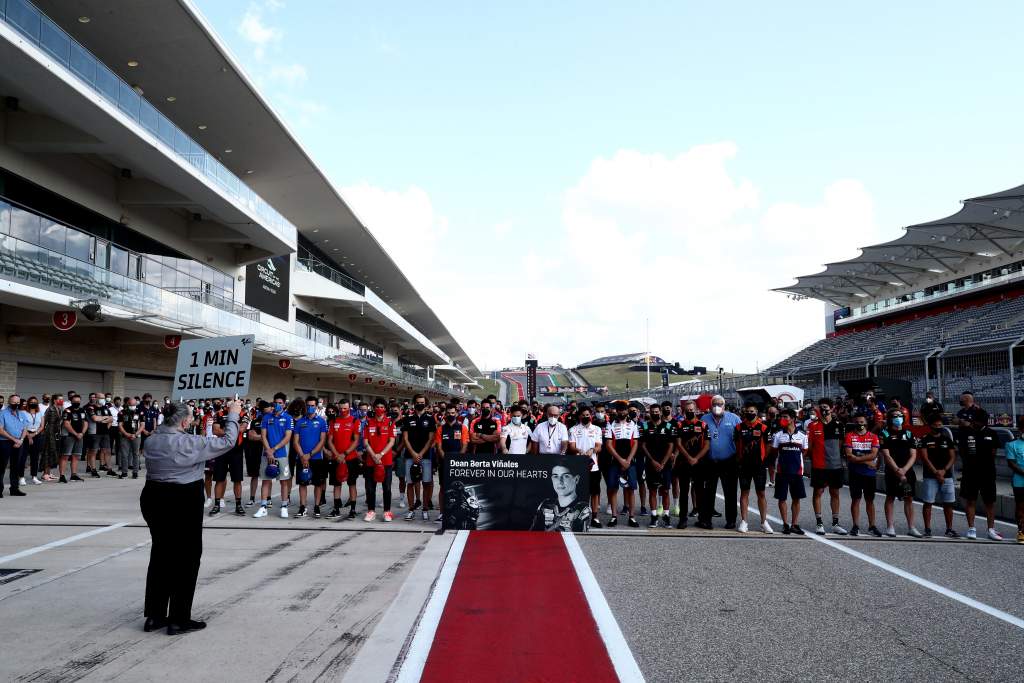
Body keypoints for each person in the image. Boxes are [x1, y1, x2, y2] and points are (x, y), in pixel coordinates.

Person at [141, 398, 240, 635]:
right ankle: (178, 618)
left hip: (154, 496)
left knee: (161, 554)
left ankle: (155, 615)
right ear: (185, 421)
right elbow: (228, 441)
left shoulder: (151, 440)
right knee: (187, 558)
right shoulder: (190, 442)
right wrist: (233, 414)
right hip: (182, 497)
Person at [957, 409, 1003, 540]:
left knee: (989, 501)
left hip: (987, 472)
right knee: (970, 500)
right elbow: (962, 451)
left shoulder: (991, 433)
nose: (975, 422)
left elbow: (993, 453)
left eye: (978, 420)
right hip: (970, 472)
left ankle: (991, 529)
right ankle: (971, 528)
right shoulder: (966, 432)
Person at [699, 395, 742, 530]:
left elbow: (740, 440)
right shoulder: (704, 419)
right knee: (708, 492)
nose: (717, 406)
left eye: (720, 404)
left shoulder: (734, 419)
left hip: (729, 461)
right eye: (714, 404)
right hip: (710, 461)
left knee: (730, 492)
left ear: (724, 405)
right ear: (711, 406)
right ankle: (706, 520)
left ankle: (731, 520)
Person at [879, 409, 922, 538]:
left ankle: (911, 527)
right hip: (892, 471)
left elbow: (913, 454)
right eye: (895, 416)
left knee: (908, 497)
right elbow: (886, 455)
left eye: (900, 415)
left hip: (907, 472)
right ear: (890, 418)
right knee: (890, 497)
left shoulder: (908, 434)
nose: (898, 418)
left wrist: (904, 470)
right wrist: (897, 470)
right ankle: (890, 526)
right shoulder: (885, 433)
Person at [807, 398, 847, 535]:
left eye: (826, 407)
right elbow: (810, 447)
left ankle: (835, 523)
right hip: (819, 465)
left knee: (835, 493)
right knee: (818, 492)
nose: (823, 410)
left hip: (835, 465)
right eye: (821, 407)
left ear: (832, 408)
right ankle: (819, 523)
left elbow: (840, 445)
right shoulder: (813, 426)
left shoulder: (839, 425)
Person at [918, 414, 958, 538]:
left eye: (940, 425)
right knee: (928, 502)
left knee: (949, 503)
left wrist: (944, 470)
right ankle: (927, 529)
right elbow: (925, 458)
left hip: (947, 475)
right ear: (930, 426)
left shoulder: (947, 439)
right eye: (936, 425)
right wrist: (936, 472)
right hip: (930, 476)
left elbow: (952, 457)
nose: (938, 427)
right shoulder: (924, 439)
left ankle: (949, 528)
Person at [254, 393, 294, 519]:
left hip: (281, 454)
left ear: (284, 404)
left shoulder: (288, 418)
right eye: (276, 403)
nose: (278, 405)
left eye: (280, 403)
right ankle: (263, 507)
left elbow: (288, 437)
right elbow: (263, 436)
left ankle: (284, 506)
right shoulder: (266, 417)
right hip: (267, 454)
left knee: (283, 482)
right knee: (266, 480)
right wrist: (268, 451)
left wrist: (274, 449)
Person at [734, 402, 772, 534]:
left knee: (761, 493)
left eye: (752, 411)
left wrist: (762, 459)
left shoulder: (763, 427)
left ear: (756, 412)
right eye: (748, 411)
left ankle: (764, 522)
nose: (750, 413)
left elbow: (768, 445)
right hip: (744, 465)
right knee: (744, 492)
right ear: (744, 412)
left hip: (759, 466)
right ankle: (744, 521)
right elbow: (736, 444)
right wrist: (739, 458)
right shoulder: (739, 427)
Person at [603, 400, 640, 527]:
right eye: (619, 410)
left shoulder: (634, 424)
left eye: (624, 410)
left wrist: (628, 460)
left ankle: (632, 516)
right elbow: (608, 445)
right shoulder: (610, 424)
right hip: (615, 461)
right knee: (613, 488)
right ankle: (614, 516)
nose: (622, 412)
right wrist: (620, 460)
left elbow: (635, 443)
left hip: (630, 461)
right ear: (616, 412)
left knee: (631, 489)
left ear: (627, 411)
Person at [844, 414, 882, 537]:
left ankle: (872, 526)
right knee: (856, 500)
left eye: (862, 422)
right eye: (858, 422)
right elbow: (849, 456)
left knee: (870, 500)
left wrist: (858, 458)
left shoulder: (873, 437)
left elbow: (874, 455)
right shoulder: (849, 436)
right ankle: (855, 526)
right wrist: (867, 461)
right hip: (855, 473)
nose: (860, 424)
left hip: (869, 474)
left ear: (866, 423)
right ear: (854, 423)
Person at [771, 409, 807, 535]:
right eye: (782, 417)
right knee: (782, 498)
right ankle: (785, 524)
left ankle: (794, 524)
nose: (783, 419)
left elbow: (805, 452)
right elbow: (774, 452)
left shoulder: (802, 436)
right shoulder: (778, 435)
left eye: (785, 417)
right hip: (782, 471)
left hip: (797, 472)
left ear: (793, 419)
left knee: (796, 499)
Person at [401, 395, 437, 521]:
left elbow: (431, 439)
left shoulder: (430, 419)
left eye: (422, 402)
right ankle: (411, 510)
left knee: (426, 483)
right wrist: (414, 454)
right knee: (410, 483)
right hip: (410, 456)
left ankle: (425, 509)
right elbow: (405, 438)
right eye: (417, 402)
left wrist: (421, 453)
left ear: (425, 404)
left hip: (425, 456)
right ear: (414, 403)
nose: (420, 404)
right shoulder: (407, 418)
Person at [673, 400, 708, 529]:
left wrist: (696, 458)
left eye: (692, 410)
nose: (690, 412)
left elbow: (707, 445)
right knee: (684, 492)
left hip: (699, 463)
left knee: (700, 491)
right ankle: (683, 519)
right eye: (687, 410)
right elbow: (678, 443)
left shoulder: (703, 425)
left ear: (696, 410)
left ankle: (702, 519)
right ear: (684, 411)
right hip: (684, 463)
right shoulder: (679, 425)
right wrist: (688, 458)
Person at [529, 459, 591, 532]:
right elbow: (533, 533)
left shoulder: (583, 509)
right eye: (555, 476)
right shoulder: (546, 505)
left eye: (566, 476)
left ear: (576, 479)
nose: (560, 481)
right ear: (552, 479)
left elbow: (581, 540)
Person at [292, 396, 328, 519]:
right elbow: (295, 441)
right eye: (308, 405)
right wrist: (302, 456)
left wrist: (310, 454)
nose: (310, 408)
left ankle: (316, 507)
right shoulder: (300, 422)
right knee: (303, 483)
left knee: (318, 484)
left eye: (312, 405)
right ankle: (303, 507)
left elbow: (322, 441)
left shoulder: (322, 422)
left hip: (316, 458)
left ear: (316, 406)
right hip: (301, 458)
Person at [568, 405, 603, 528]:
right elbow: (571, 447)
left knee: (594, 493)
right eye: (583, 415)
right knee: (578, 492)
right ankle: (578, 516)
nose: (586, 417)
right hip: (578, 465)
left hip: (593, 466)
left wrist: (592, 450)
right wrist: (579, 451)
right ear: (579, 416)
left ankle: (595, 517)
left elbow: (599, 446)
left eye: (588, 415)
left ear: (591, 416)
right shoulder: (573, 429)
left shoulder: (597, 429)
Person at [640, 403, 674, 527]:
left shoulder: (668, 426)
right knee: (653, 491)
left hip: (665, 464)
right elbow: (643, 445)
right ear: (650, 413)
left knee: (665, 491)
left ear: (660, 412)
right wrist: (652, 461)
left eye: (656, 412)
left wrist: (664, 462)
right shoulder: (644, 426)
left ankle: (666, 516)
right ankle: (654, 516)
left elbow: (671, 445)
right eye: (652, 412)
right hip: (650, 464)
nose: (655, 414)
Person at [363, 398, 397, 522]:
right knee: (370, 488)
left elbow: (392, 441)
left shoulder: (390, 422)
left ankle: (387, 511)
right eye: (377, 406)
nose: (379, 409)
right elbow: (365, 442)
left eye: (382, 407)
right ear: (373, 408)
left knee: (386, 487)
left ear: (385, 409)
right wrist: (373, 455)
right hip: (371, 461)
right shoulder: (368, 422)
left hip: (386, 461)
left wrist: (381, 454)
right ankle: (371, 511)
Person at [326, 399, 361, 519]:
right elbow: (330, 440)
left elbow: (356, 441)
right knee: (337, 484)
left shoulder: (355, 421)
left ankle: (352, 509)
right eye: (341, 408)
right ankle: (336, 509)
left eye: (345, 408)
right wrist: (337, 455)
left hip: (351, 458)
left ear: (349, 408)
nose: (343, 410)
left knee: (352, 484)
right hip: (337, 458)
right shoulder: (333, 421)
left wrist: (345, 454)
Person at [436, 403, 469, 524]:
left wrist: (457, 460)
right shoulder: (441, 429)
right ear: (445, 414)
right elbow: (439, 446)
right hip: (444, 461)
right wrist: (445, 459)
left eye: (452, 413)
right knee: (443, 487)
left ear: (457, 413)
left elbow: (465, 445)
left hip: (458, 462)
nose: (450, 415)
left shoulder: (462, 428)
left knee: (458, 488)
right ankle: (441, 513)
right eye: (448, 413)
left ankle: (457, 512)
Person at [0, 393, 28, 496]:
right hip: (4, 442)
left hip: (19, 442)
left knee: (16, 466)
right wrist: (14, 439)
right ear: (9, 402)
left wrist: (20, 439)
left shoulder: (22, 413)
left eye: (17, 402)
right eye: (13, 402)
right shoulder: (2, 413)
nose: (16, 404)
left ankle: (14, 489)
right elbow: (0, 430)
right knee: (2, 466)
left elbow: (25, 428)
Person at [1003, 416, 1024, 544]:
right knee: (1021, 507)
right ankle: (1021, 531)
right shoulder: (1012, 445)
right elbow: (1011, 463)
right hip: (1019, 481)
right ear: (1020, 429)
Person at [60, 394, 88, 482]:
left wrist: (82, 433)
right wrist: (76, 434)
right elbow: (66, 424)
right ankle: (62, 476)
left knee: (76, 456)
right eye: (75, 401)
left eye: (78, 401)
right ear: (71, 401)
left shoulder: (82, 410)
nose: (77, 403)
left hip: (80, 436)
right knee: (65, 456)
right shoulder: (67, 411)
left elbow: (86, 422)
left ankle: (74, 475)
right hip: (69, 436)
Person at [117, 396, 144, 479]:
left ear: (136, 404)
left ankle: (135, 472)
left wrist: (135, 434)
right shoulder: (122, 412)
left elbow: (142, 425)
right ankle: (124, 472)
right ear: (127, 404)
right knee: (124, 454)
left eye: (134, 404)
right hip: (125, 436)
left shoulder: (140, 412)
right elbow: (120, 425)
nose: (132, 406)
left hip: (136, 436)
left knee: (136, 454)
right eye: (131, 404)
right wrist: (126, 434)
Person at [40, 393, 64, 481]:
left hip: (56, 433)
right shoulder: (50, 409)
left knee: (53, 452)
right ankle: (45, 473)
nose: (61, 401)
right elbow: (44, 421)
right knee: (48, 452)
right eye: (59, 399)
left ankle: (49, 472)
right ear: (54, 400)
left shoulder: (59, 409)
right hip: (49, 433)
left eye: (62, 399)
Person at [23, 397, 44, 486]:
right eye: (31, 402)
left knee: (35, 458)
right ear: (28, 403)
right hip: (25, 435)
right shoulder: (23, 412)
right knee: (23, 457)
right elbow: (22, 425)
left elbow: (42, 426)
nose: (33, 403)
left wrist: (34, 434)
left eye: (35, 402)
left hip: (36, 435)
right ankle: (21, 477)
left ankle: (34, 476)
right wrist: (29, 436)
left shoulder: (40, 413)